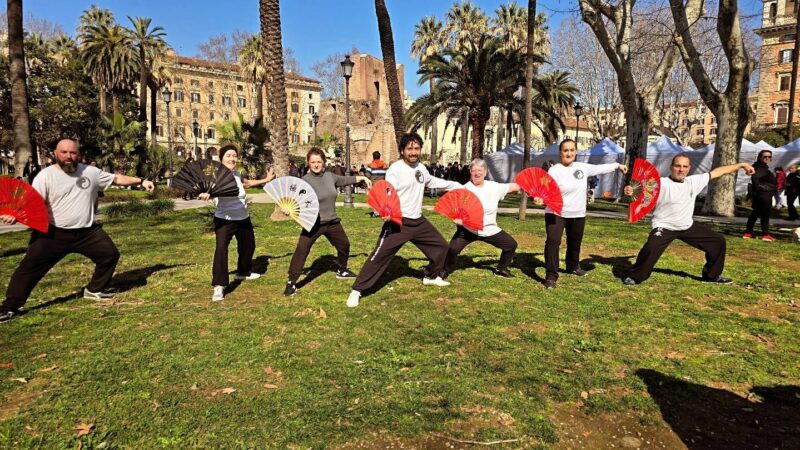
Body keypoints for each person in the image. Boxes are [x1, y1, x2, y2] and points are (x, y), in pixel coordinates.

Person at [0, 139, 155, 323]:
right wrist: (15, 213)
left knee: (109, 255)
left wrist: (142, 181)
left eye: (72, 153)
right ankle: (9, 308)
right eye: (64, 152)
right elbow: (32, 201)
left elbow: (115, 178)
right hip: (53, 234)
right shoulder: (45, 176)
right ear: (55, 153)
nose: (68, 156)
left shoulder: (89, 172)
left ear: (78, 154)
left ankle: (94, 289)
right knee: (29, 269)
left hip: (87, 233)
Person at [345, 132, 463, 308]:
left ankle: (430, 276)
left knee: (441, 247)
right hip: (398, 222)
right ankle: (357, 290)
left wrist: (457, 186)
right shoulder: (395, 169)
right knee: (379, 257)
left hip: (418, 221)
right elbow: (388, 191)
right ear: (402, 151)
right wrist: (386, 210)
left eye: (416, 148)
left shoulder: (421, 168)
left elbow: (432, 182)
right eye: (410, 148)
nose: (413, 152)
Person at [622, 154, 754, 286]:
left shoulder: (694, 181)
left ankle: (712, 275)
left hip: (686, 226)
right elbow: (638, 191)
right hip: (664, 226)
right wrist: (630, 191)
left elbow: (718, 172)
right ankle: (635, 276)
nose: (681, 169)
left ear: (689, 168)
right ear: (671, 167)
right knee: (651, 247)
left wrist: (741, 165)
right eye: (678, 166)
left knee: (718, 242)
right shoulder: (660, 183)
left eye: (684, 166)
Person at [284, 148, 372, 296]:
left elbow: (346, 180)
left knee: (344, 245)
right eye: (313, 162)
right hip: (314, 224)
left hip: (332, 222)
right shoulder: (305, 181)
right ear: (308, 163)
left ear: (324, 162)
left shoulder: (330, 176)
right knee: (301, 250)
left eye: (319, 161)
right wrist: (288, 210)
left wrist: (362, 178)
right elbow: (295, 200)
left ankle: (342, 270)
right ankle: (291, 282)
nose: (316, 164)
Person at [542, 138, 627, 289]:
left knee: (574, 243)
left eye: (572, 150)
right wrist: (540, 198)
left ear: (576, 152)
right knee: (553, 243)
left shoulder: (582, 167)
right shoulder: (554, 170)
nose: (569, 153)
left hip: (578, 213)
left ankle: (573, 266)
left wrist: (618, 165)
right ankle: (551, 276)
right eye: (565, 150)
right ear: (560, 153)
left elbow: (600, 168)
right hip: (556, 213)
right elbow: (546, 188)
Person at [198, 144, 275, 302]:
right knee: (221, 250)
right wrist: (206, 195)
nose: (232, 158)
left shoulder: (237, 175)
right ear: (221, 159)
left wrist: (266, 179)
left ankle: (243, 272)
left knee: (248, 246)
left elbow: (246, 183)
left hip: (243, 218)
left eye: (234, 156)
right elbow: (209, 190)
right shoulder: (215, 176)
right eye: (228, 156)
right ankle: (219, 285)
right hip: (225, 220)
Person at [444, 158, 520, 278]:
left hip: (489, 229)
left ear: (485, 172)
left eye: (480, 170)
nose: (477, 173)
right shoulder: (464, 189)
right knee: (452, 249)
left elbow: (513, 187)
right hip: (467, 230)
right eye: (474, 170)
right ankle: (444, 270)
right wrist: (458, 219)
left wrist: (522, 185)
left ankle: (501, 269)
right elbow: (454, 208)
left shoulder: (494, 187)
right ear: (470, 172)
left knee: (511, 245)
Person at [744, 150, 777, 241]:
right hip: (764, 195)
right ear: (760, 157)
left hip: (761, 195)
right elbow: (755, 177)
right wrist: (757, 189)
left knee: (755, 214)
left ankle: (748, 233)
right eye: (765, 156)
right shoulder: (761, 167)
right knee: (765, 215)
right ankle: (765, 235)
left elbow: (754, 176)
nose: (767, 158)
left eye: (769, 157)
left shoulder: (759, 166)